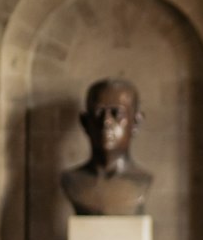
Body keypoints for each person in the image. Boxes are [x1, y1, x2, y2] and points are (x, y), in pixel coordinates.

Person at [61, 77, 153, 216]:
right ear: (85, 122)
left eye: (116, 113)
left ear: (135, 122)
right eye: (99, 113)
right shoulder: (71, 180)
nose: (106, 121)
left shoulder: (144, 180)